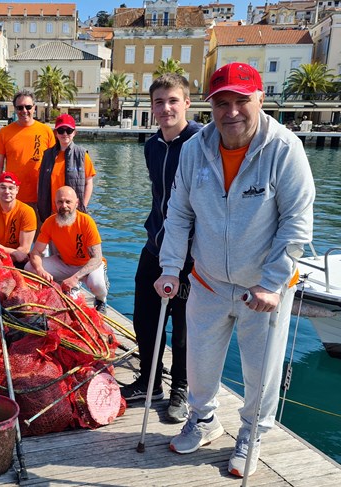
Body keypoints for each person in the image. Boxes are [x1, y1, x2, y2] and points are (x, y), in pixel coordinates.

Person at [154, 62, 315, 477]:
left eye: (241, 100)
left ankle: (252, 434)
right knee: (200, 365)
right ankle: (204, 420)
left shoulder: (284, 148)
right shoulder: (195, 149)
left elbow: (296, 222)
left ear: (259, 98)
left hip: (262, 288)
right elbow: (178, 214)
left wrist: (273, 282)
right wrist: (171, 267)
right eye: (222, 102)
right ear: (210, 106)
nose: (231, 112)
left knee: (259, 372)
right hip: (207, 281)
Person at [119, 74, 201, 426]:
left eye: (173, 100)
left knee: (183, 324)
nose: (165, 108)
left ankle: (180, 387)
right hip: (155, 244)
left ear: (186, 103)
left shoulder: (200, 142)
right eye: (158, 102)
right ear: (151, 107)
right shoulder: (151, 145)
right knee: (144, 316)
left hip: (191, 254)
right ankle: (150, 381)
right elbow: (160, 197)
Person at [26, 186, 108, 312]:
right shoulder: (50, 223)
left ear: (76, 203)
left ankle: (101, 300)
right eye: (60, 202)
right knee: (29, 268)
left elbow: (96, 258)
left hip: (87, 266)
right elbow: (36, 252)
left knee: (97, 285)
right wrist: (40, 269)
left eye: (68, 202)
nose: (64, 205)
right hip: (65, 263)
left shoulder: (86, 222)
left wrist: (75, 277)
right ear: (55, 204)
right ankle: (59, 285)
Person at [0, 89, 56, 216]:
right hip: (12, 199)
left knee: (39, 236)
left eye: (28, 107)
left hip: (41, 200)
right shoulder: (4, 133)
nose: (24, 111)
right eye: (20, 107)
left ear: (34, 108)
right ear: (15, 109)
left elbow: (55, 165)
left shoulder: (46, 131)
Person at [37, 113, 96, 221]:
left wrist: (82, 206)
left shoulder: (82, 155)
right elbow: (40, 183)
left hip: (73, 213)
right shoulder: (47, 155)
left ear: (74, 132)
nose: (65, 134)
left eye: (68, 130)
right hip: (51, 214)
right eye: (61, 130)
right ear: (55, 133)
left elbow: (89, 183)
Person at [0, 171, 37, 268]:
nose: (7, 191)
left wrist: (12, 255)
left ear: (17, 189)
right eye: (3, 187)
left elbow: (24, 249)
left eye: (11, 188)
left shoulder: (27, 212)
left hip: (18, 259)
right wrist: (13, 252)